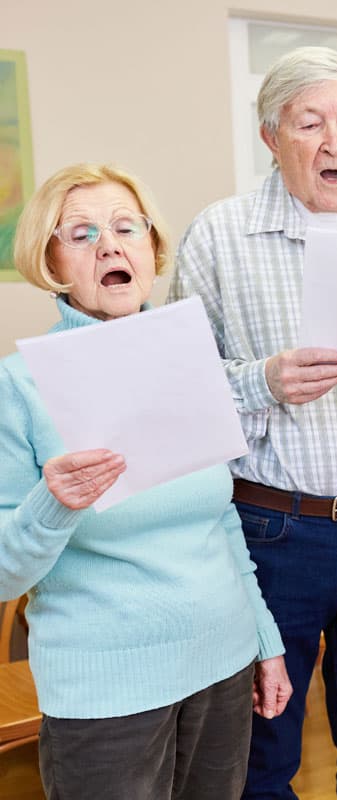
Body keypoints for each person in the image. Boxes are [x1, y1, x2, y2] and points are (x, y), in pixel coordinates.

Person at [168, 47, 337, 800]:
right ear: (270, 136)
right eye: (309, 123)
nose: (332, 141)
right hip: (274, 533)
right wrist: (265, 380)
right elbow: (178, 394)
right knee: (265, 750)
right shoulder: (218, 236)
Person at [0, 163, 289, 800]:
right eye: (80, 233)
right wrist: (55, 503)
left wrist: (264, 639)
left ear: (151, 249)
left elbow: (220, 518)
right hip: (108, 692)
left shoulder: (190, 361)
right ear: (51, 261)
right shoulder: (16, 387)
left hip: (222, 664)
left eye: (126, 227)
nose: (110, 244)